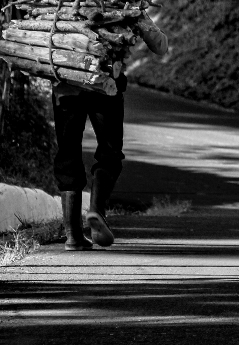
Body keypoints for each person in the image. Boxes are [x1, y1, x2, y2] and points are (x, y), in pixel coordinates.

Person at [57, 14, 168, 250]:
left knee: (68, 152)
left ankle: (73, 236)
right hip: (106, 85)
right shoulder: (122, 2)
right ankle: (97, 210)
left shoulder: (61, 4)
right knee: (110, 152)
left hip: (66, 86)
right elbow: (160, 46)